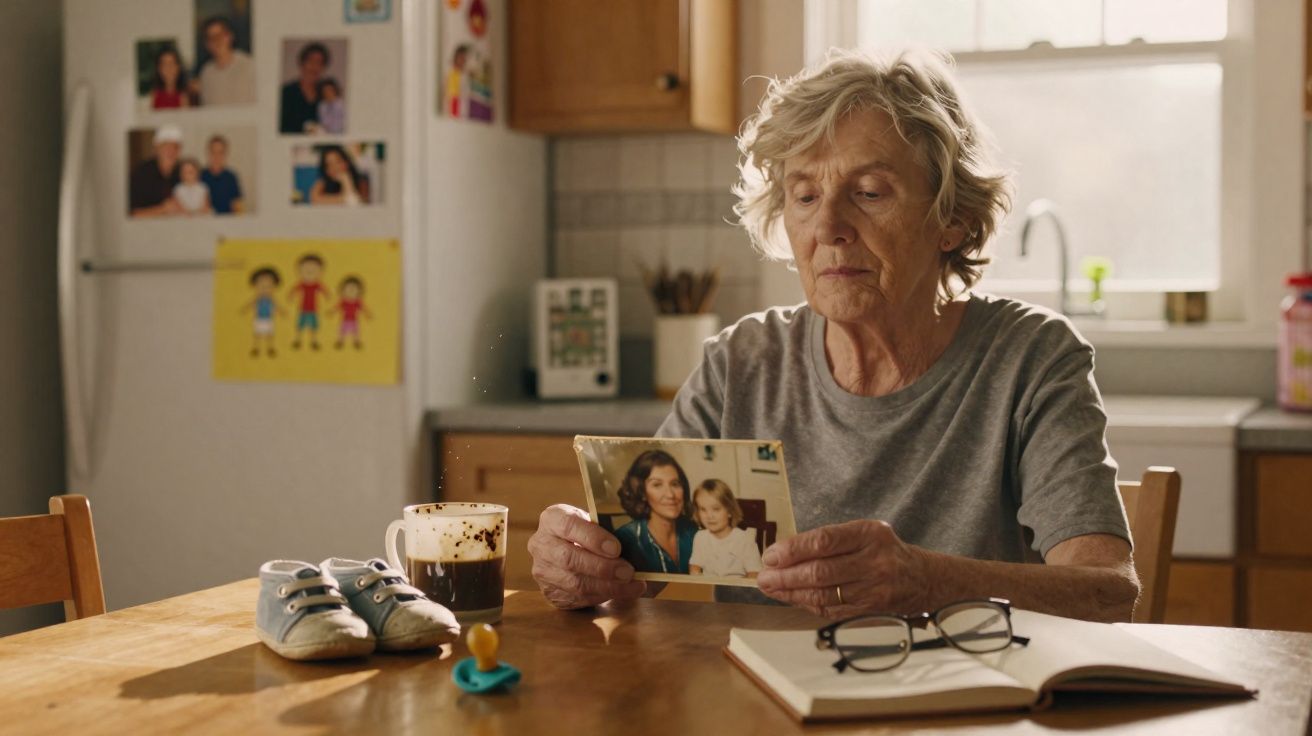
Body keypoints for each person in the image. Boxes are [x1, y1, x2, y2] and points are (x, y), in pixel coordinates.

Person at [527, 49, 1140, 623]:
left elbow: (1109, 591)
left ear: (951, 219)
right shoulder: (741, 362)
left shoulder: (1030, 358)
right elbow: (640, 570)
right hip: (761, 693)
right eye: (804, 195)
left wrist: (928, 581)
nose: (828, 227)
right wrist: (584, 563)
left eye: (869, 193)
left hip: (963, 689)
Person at [611, 451, 699, 575]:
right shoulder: (625, 540)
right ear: (642, 492)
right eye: (657, 485)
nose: (670, 494)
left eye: (675, 484)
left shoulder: (694, 533)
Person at [688, 480, 763, 579]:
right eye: (703, 509)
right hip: (709, 586)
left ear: (729, 511)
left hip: (737, 587)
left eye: (716, 509)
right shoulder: (700, 537)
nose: (709, 516)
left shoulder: (745, 539)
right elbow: (694, 568)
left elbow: (754, 574)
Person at [196, 16, 255, 106]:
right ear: (207, 44)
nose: (216, 41)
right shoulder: (206, 72)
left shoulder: (249, 65)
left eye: (220, 35)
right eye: (211, 38)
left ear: (230, 36)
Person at [129, 125, 184, 217]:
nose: (171, 151)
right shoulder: (141, 174)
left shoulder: (183, 172)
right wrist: (163, 209)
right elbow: (133, 214)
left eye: (175, 147)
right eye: (166, 146)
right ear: (156, 149)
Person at [280, 42, 329, 134]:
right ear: (302, 63)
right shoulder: (286, 92)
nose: (314, 67)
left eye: (319, 63)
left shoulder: (327, 95)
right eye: (310, 61)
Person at [288, 254, 331, 350]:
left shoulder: (317, 285)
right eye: (306, 270)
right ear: (299, 272)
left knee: (313, 327)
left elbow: (325, 291)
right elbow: (293, 291)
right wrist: (290, 297)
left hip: (313, 310)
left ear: (320, 273)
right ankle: (298, 340)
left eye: (314, 271)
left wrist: (327, 297)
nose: (309, 273)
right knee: (300, 326)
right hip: (302, 309)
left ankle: (313, 341)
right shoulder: (301, 284)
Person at [241, 267, 285, 357]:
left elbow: (277, 306)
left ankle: (270, 348)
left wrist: (282, 312)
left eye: (268, 286)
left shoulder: (271, 299)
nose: (264, 288)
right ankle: (256, 348)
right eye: (261, 285)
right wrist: (244, 309)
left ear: (274, 287)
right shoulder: (257, 298)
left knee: (269, 334)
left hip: (269, 319)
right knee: (257, 334)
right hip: (259, 318)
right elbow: (250, 304)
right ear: (255, 286)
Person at [201, 135, 244, 215]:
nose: (216, 156)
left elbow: (238, 206)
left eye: (220, 152)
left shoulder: (232, 177)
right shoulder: (200, 175)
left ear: (226, 154)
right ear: (208, 153)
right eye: (213, 152)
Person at [331, 276, 372, 350]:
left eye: (354, 289)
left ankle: (356, 342)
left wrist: (367, 314)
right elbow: (336, 307)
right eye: (348, 289)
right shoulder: (343, 301)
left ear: (359, 291)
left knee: (356, 332)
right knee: (342, 331)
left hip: (354, 320)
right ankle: (340, 341)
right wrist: (332, 312)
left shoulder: (357, 302)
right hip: (345, 320)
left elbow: (363, 309)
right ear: (343, 291)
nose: (351, 291)